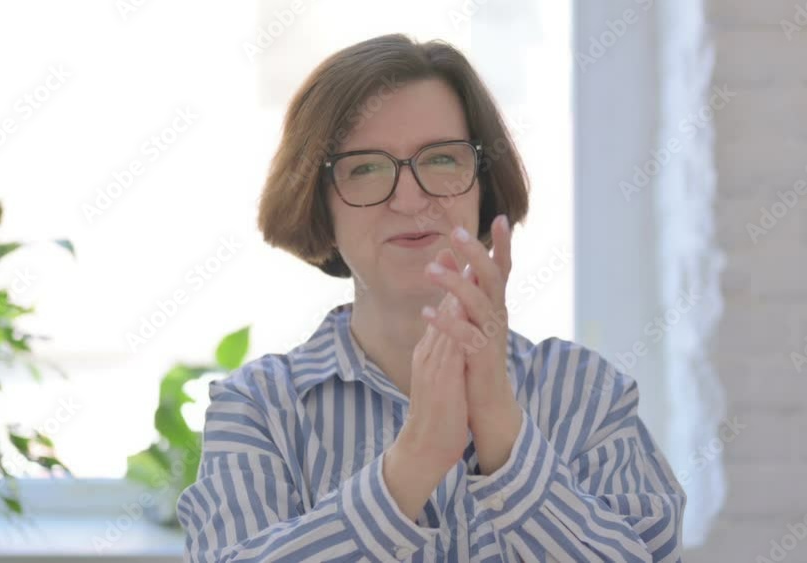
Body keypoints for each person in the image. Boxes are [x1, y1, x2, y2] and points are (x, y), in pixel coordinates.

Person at [177, 33, 685, 562]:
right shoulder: (258, 408)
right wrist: (414, 459)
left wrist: (499, 424)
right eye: (366, 167)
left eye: (441, 160)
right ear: (318, 206)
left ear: (483, 188)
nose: (410, 197)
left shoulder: (586, 393)